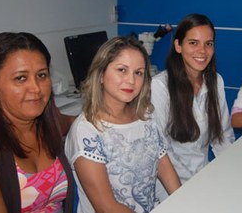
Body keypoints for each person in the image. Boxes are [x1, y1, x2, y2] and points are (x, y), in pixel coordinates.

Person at [64, 36, 181, 213]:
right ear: (101, 74)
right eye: (122, 70)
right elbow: (106, 208)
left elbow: (163, 165)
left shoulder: (144, 117)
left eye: (138, 72)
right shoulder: (87, 131)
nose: (131, 81)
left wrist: (184, 202)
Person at [0, 32, 74, 212]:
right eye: (21, 78)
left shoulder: (47, 120)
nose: (36, 88)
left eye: (42, 75)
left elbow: (76, 121)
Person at [151, 13, 235, 201]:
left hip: (202, 177)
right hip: (168, 186)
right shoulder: (160, 87)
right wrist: (185, 194)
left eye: (209, 44)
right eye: (193, 43)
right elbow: (160, 152)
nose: (202, 51)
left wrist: (231, 174)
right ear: (178, 46)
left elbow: (222, 138)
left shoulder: (215, 82)